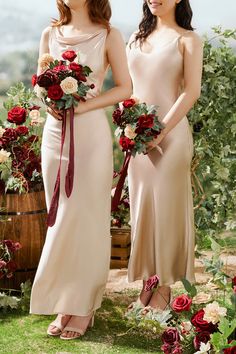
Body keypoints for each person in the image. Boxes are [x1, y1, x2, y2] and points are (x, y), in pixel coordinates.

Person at [30, 0, 131, 340]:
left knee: (87, 217)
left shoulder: (109, 35)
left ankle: (84, 303)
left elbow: (124, 87)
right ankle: (64, 301)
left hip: (90, 136)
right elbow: (38, 86)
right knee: (61, 218)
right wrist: (49, 103)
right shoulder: (50, 33)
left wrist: (86, 104)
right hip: (54, 136)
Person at [126, 0, 203, 311]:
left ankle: (165, 289)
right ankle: (149, 280)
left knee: (168, 213)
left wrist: (160, 131)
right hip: (138, 141)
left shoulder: (188, 40)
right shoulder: (134, 38)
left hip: (170, 139)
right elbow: (129, 88)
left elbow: (191, 91)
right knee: (142, 211)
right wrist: (127, 125)